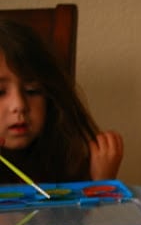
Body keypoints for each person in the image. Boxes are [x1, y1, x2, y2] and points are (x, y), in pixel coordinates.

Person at [0, 19, 123, 183]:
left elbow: (84, 209)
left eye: (33, 91)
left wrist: (102, 181)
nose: (19, 105)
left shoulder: (67, 157)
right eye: (0, 92)